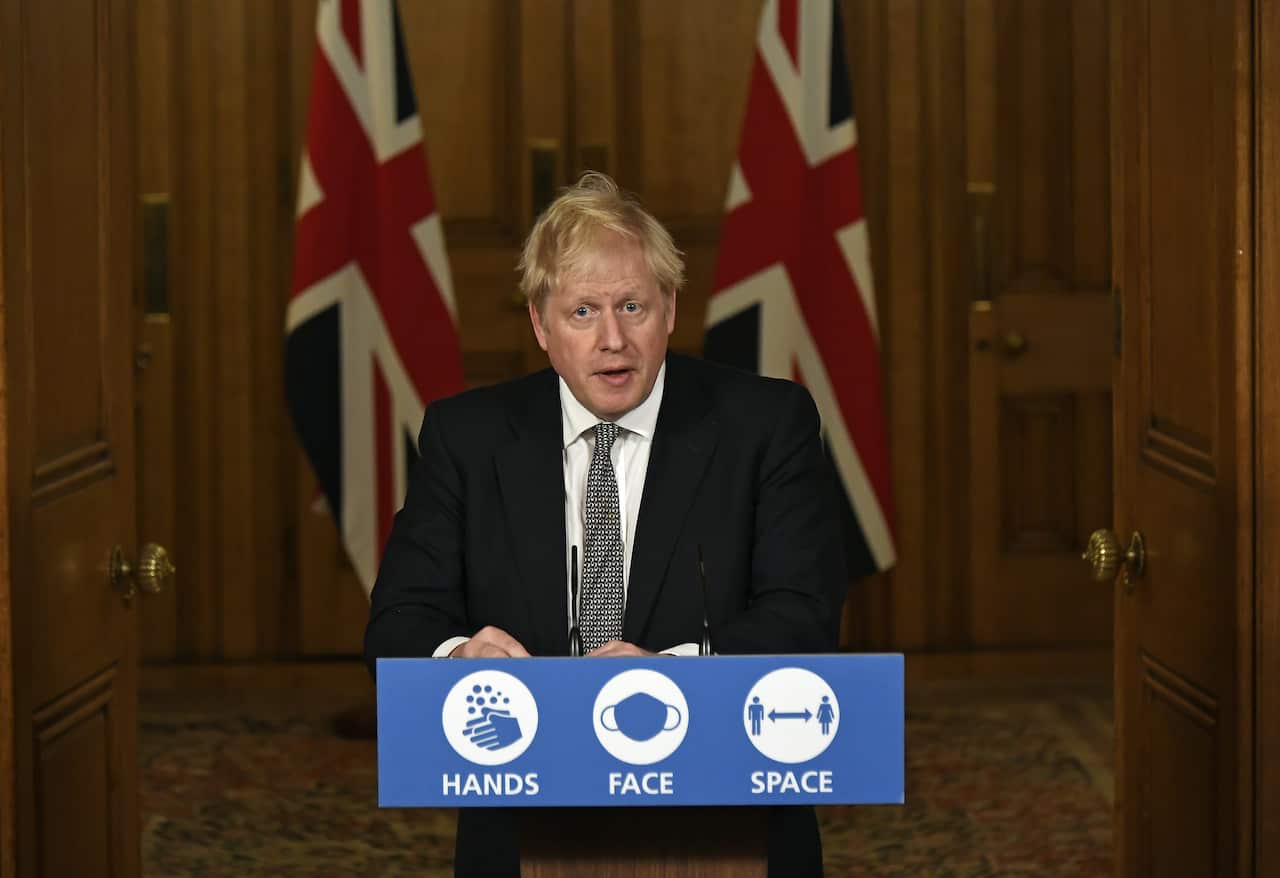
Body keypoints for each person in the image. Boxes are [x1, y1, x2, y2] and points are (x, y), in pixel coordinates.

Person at [364, 172, 847, 877]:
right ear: (540, 323)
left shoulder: (766, 426)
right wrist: (458, 657)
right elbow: (398, 623)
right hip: (524, 811)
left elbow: (805, 615)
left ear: (671, 309)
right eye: (583, 311)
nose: (612, 339)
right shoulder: (467, 438)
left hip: (725, 809)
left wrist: (671, 678)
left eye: (632, 306)